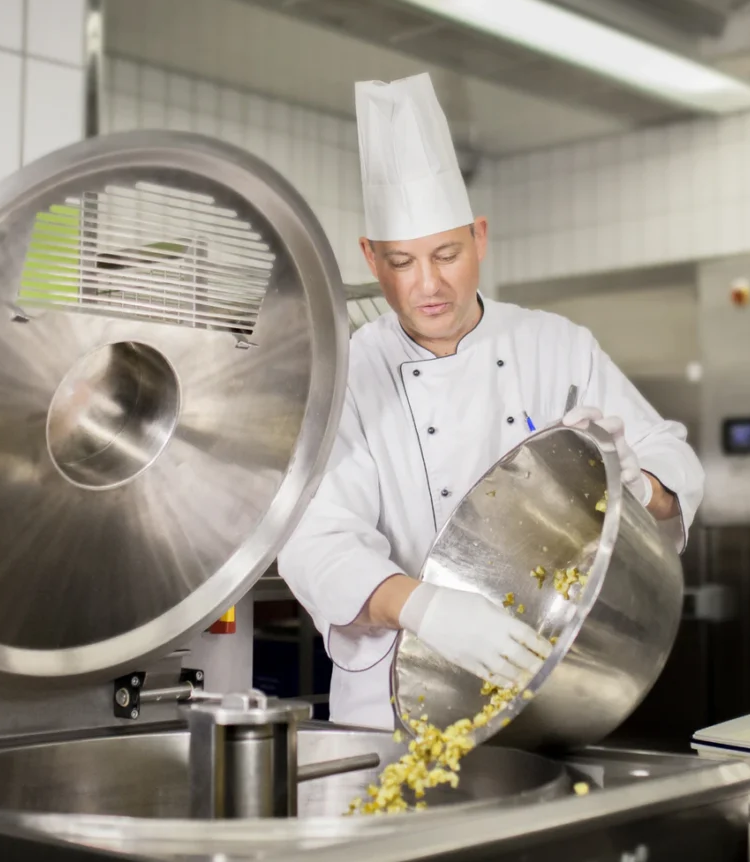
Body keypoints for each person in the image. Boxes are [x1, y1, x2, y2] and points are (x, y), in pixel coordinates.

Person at [276, 72, 703, 730]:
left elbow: (673, 466)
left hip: (556, 691)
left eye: (446, 254)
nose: (427, 286)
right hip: (388, 717)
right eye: (400, 262)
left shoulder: (555, 345)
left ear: (480, 236)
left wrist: (637, 484)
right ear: (369, 257)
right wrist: (423, 609)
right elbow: (316, 546)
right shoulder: (347, 376)